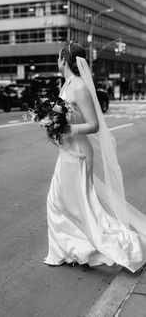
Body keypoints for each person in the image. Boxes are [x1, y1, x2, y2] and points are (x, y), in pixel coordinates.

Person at [44, 41, 146, 272]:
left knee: (75, 203)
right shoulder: (67, 84)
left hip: (79, 152)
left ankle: (85, 248)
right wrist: (52, 128)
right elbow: (64, 117)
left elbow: (93, 124)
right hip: (67, 151)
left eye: (59, 57)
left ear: (65, 60)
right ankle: (71, 248)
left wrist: (67, 129)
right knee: (62, 202)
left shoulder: (79, 86)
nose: (57, 61)